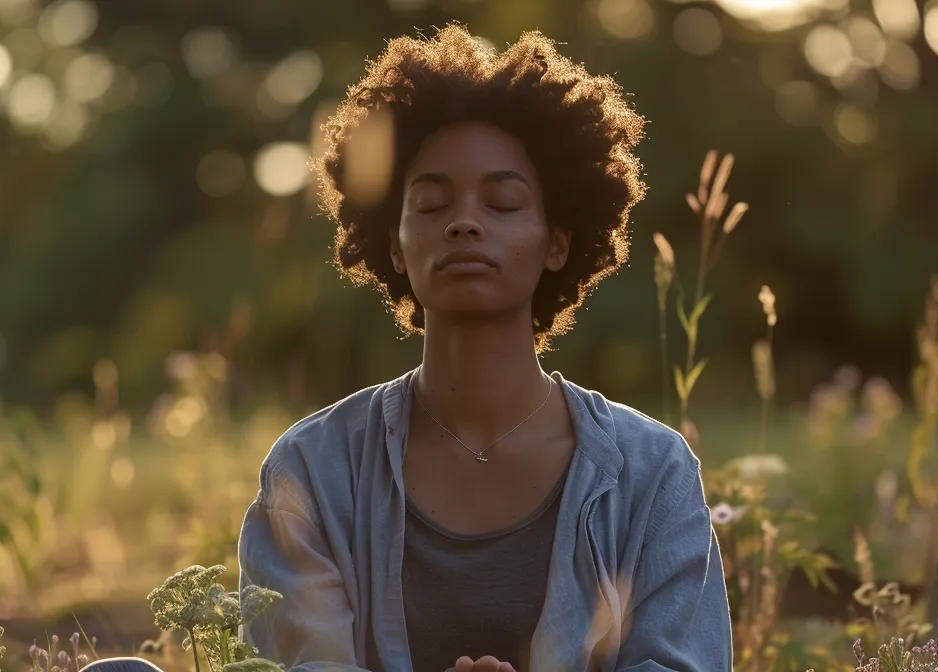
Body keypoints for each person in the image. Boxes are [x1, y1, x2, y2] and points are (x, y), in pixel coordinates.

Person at [238, 24, 731, 672]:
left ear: (558, 240)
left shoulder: (652, 473)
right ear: (392, 243)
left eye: (502, 202)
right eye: (432, 202)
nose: (464, 221)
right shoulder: (312, 471)